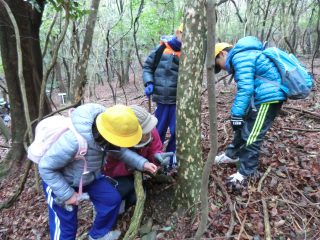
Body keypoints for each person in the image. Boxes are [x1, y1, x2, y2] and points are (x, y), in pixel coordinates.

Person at [38, 104, 158, 240]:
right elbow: (45, 167)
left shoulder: (107, 132)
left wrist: (143, 163)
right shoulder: (73, 141)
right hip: (61, 182)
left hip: (89, 176)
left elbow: (120, 151)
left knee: (111, 199)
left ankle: (98, 234)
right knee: (67, 225)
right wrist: (67, 195)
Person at [213, 36, 286, 190]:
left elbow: (246, 88)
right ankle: (231, 155)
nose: (222, 69)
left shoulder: (241, 57)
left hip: (267, 99)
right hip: (259, 98)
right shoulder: (243, 55)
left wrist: (236, 114)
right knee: (243, 126)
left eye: (218, 64)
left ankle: (246, 172)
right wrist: (238, 115)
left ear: (223, 54)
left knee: (253, 134)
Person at [103, 105, 173, 209]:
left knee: (136, 198)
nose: (148, 134)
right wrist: (131, 167)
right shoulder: (115, 140)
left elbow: (155, 149)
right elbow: (109, 168)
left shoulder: (151, 131)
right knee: (117, 201)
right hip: (116, 176)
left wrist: (157, 157)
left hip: (136, 173)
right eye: (145, 133)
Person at [142, 24, 183, 167]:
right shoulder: (161, 48)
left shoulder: (188, 52)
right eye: (183, 34)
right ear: (178, 32)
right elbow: (147, 67)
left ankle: (172, 160)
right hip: (161, 99)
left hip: (178, 101)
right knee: (157, 132)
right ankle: (155, 160)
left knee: (177, 132)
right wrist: (148, 83)